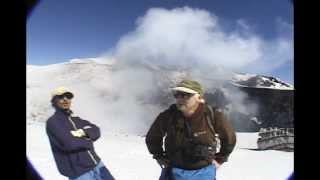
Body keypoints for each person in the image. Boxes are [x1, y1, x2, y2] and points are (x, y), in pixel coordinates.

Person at [145, 79, 237, 180]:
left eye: (185, 95)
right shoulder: (168, 116)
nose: (179, 99)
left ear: (199, 97)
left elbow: (229, 138)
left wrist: (220, 159)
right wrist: (159, 156)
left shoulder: (212, 115)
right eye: (177, 95)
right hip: (173, 171)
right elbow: (153, 137)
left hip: (203, 173)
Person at [46, 87, 115, 180]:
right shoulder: (53, 122)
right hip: (79, 172)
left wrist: (82, 133)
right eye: (61, 97)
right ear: (54, 101)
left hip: (97, 164)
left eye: (68, 97)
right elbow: (69, 144)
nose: (65, 99)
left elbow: (96, 130)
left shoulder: (76, 119)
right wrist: (88, 139)